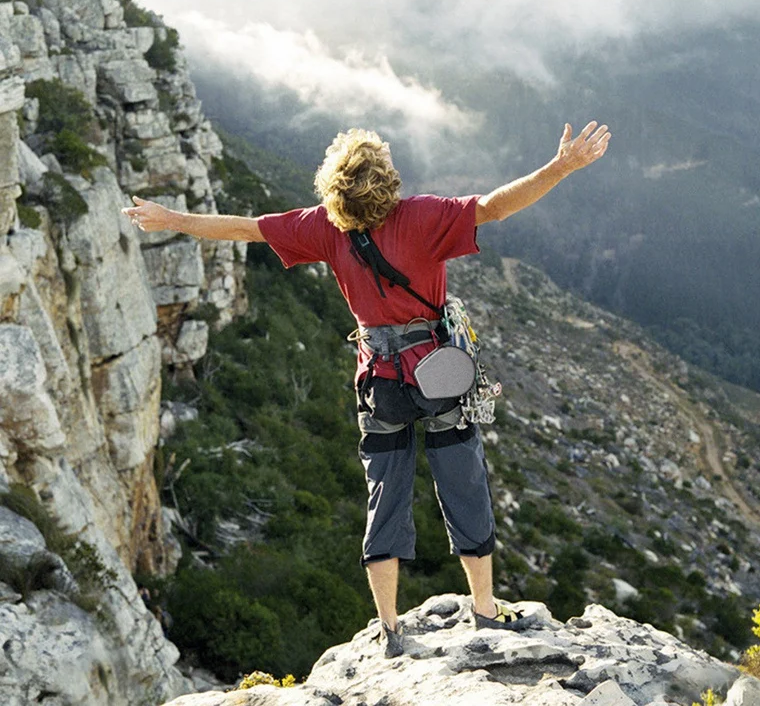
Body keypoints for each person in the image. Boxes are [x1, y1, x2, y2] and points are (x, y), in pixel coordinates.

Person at [122, 121, 610, 657]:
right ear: (387, 179)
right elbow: (494, 207)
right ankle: (486, 611)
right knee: (463, 480)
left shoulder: (325, 228)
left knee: (386, 495)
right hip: (439, 373)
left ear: (334, 188)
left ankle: (390, 629)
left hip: (380, 382)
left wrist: (170, 219)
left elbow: (246, 228)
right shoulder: (422, 216)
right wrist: (562, 167)